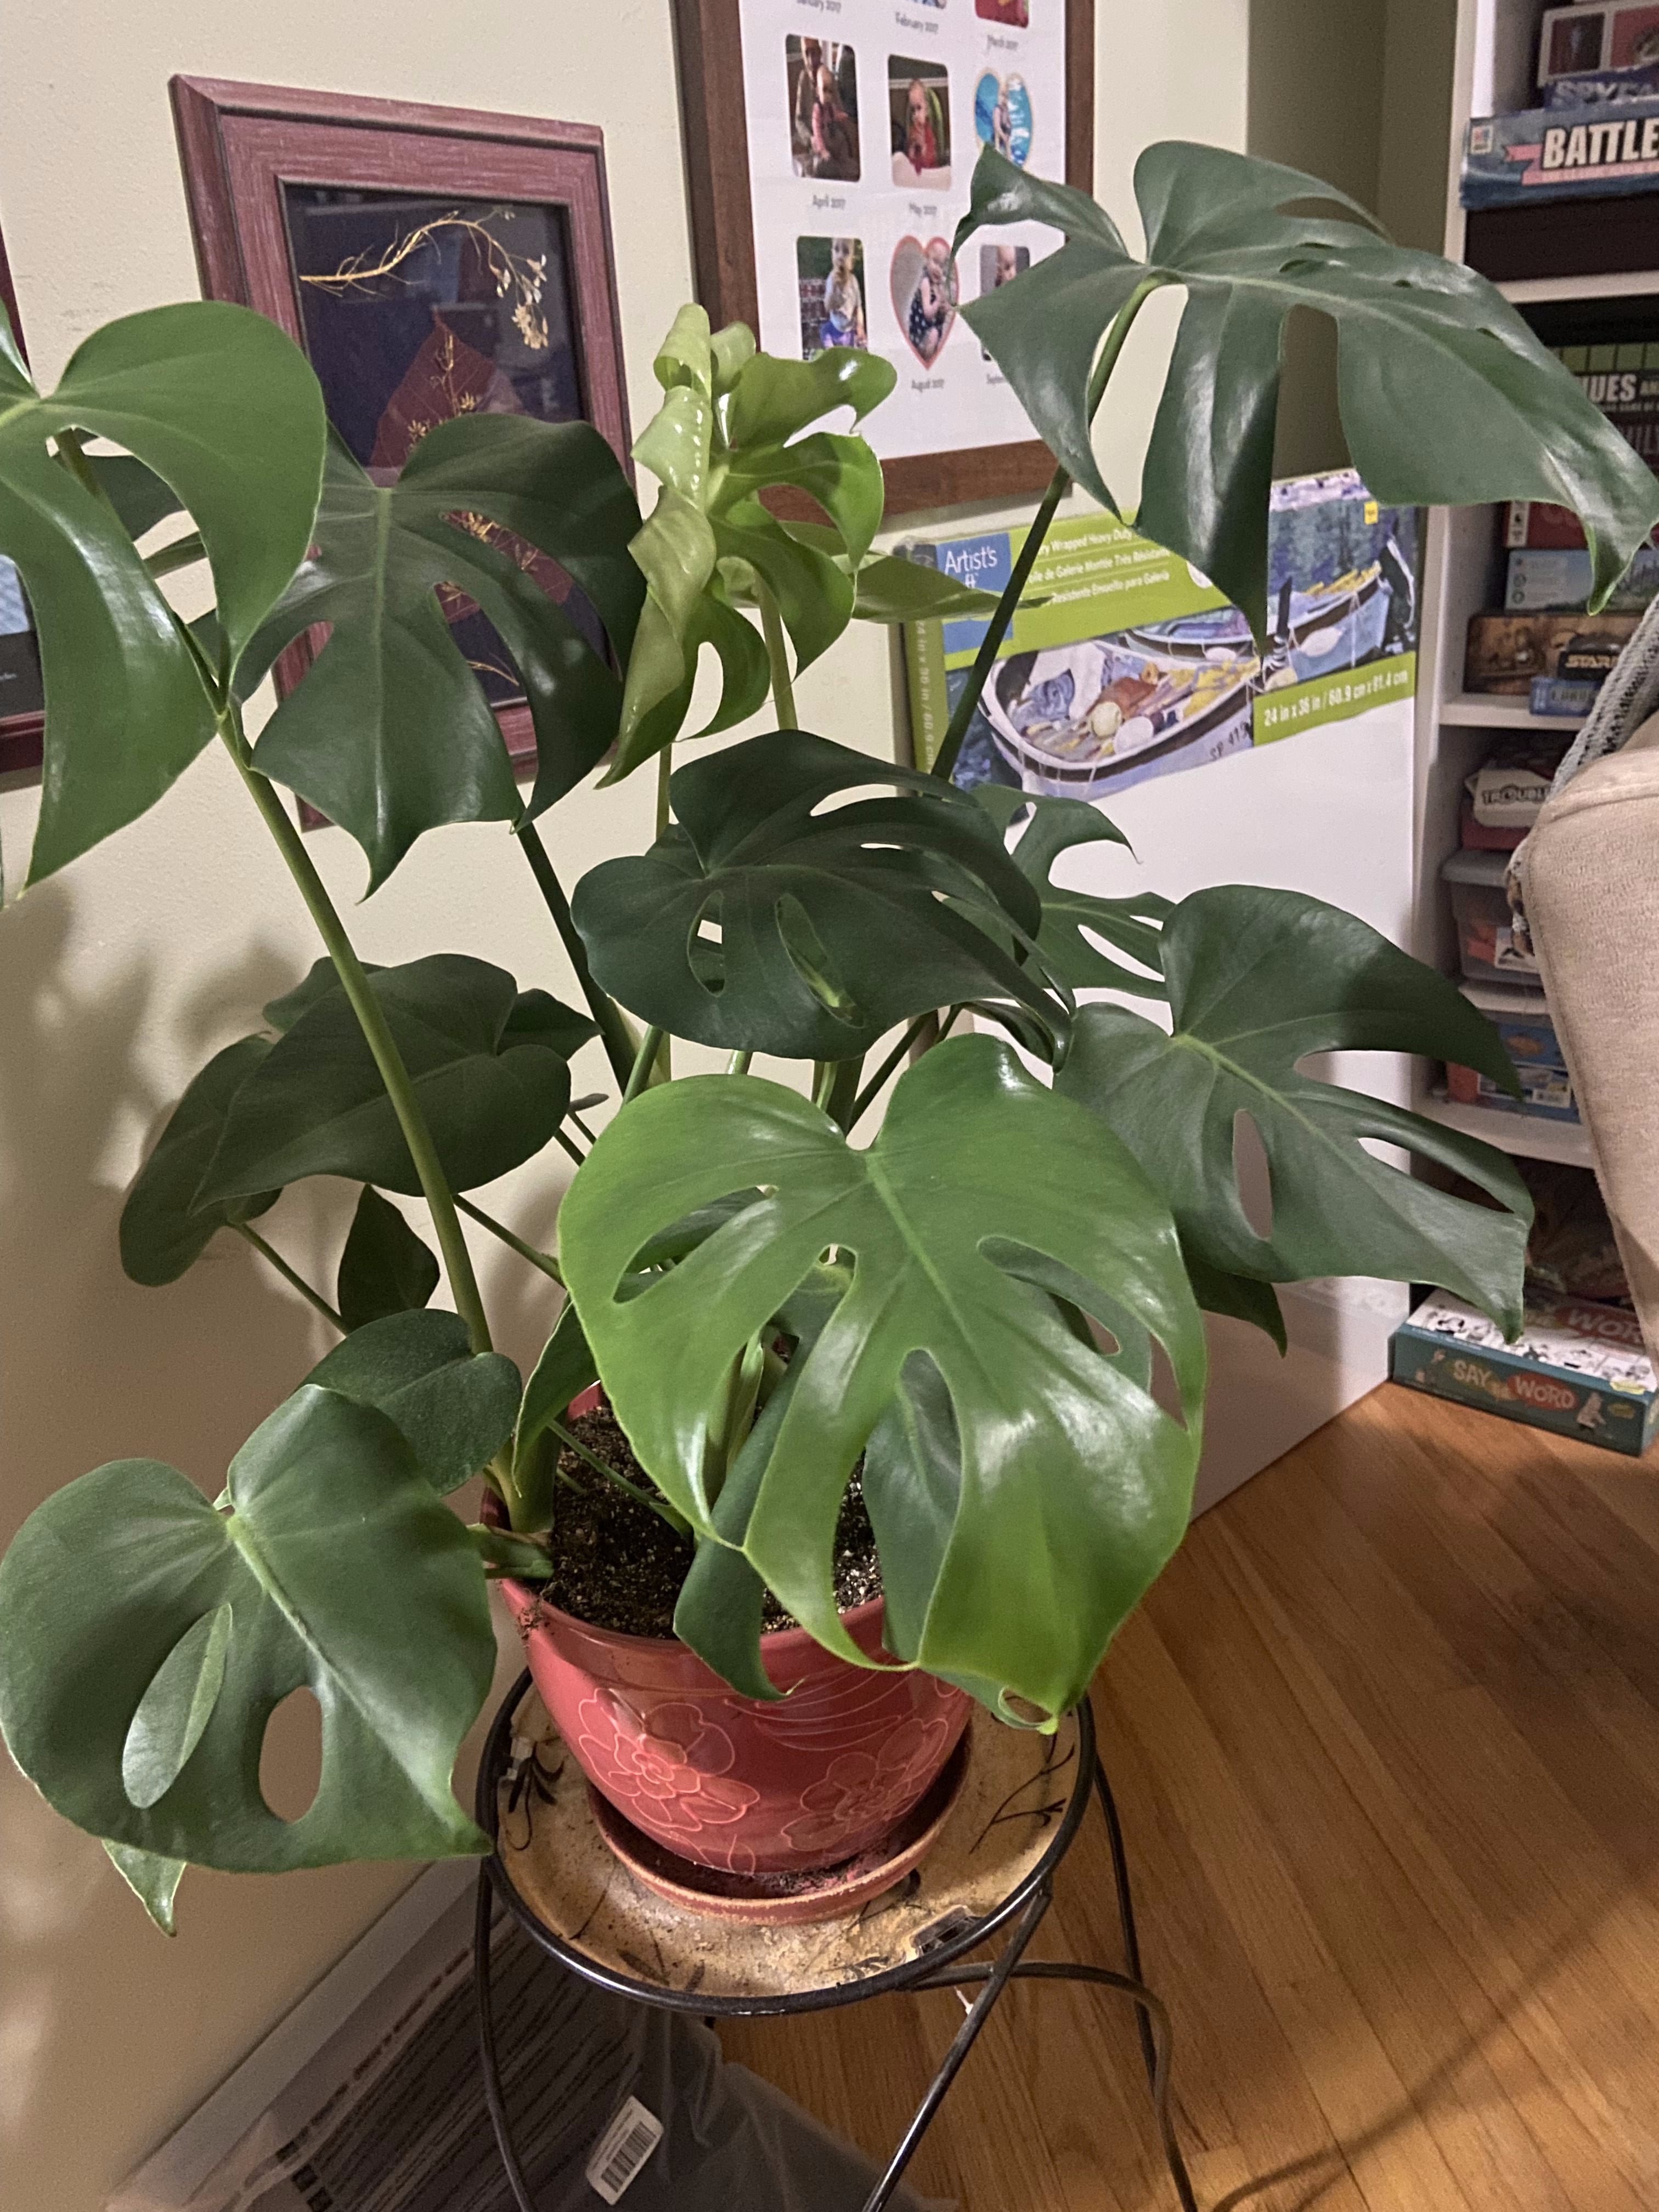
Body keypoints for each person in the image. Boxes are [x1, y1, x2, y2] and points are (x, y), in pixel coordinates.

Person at [907, 239, 953, 363]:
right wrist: (938, 301)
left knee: (940, 336)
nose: (937, 269)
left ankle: (931, 358)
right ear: (927, 259)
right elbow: (928, 313)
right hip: (920, 330)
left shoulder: (939, 285)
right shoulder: (926, 283)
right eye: (935, 262)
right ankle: (924, 359)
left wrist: (945, 308)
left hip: (933, 327)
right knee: (933, 334)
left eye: (942, 265)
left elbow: (941, 312)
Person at [810, 63, 859, 180]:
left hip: (832, 133)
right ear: (818, 91)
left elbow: (834, 116)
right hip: (821, 138)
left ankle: (844, 161)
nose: (827, 96)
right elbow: (816, 129)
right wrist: (822, 150)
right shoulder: (818, 108)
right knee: (821, 150)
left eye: (830, 92)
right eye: (825, 91)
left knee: (841, 138)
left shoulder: (830, 106)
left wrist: (842, 116)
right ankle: (822, 163)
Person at [820, 237, 866, 350]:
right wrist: (834, 289)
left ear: (852, 262)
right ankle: (832, 354)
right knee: (824, 331)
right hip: (834, 329)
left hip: (849, 331)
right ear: (832, 255)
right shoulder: (831, 279)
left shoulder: (853, 282)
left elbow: (858, 306)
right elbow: (828, 306)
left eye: (846, 252)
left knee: (859, 345)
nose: (840, 256)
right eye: (836, 250)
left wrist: (860, 326)